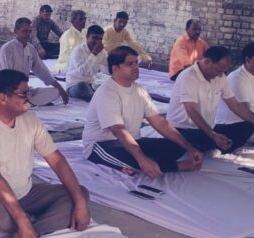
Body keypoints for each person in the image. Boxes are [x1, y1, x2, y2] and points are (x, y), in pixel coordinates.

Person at [0, 69, 90, 238]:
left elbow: (57, 161)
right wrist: (23, 221)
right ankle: (25, 223)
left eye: (29, 92)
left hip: (24, 193)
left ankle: (30, 231)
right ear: (3, 98)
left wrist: (81, 204)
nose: (29, 98)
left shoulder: (30, 119)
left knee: (80, 194)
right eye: (23, 94)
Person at [83, 46, 204, 176]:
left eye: (136, 63)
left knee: (176, 146)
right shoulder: (107, 92)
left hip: (132, 141)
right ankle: (178, 166)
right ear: (115, 68)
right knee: (140, 161)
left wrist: (189, 148)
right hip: (101, 144)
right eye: (129, 64)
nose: (136, 67)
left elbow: (159, 121)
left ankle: (134, 165)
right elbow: (118, 130)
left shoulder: (139, 90)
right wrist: (142, 159)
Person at [167, 46, 254, 154]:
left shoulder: (220, 77)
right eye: (218, 70)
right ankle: (209, 147)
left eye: (223, 71)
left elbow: (235, 105)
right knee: (204, 139)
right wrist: (212, 134)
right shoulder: (189, 77)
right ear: (207, 62)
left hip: (209, 128)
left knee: (247, 127)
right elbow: (191, 110)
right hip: (183, 129)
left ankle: (212, 147)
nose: (220, 75)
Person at [0, 18, 68, 106]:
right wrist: (21, 92)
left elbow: (42, 71)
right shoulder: (7, 48)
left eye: (29, 32)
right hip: (7, 90)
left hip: (25, 91)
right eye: (24, 31)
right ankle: (24, 101)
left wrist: (61, 89)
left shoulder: (31, 48)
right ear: (16, 31)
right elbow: (6, 76)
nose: (27, 35)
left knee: (56, 91)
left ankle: (26, 101)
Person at [64, 24, 107, 101]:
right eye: (94, 38)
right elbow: (82, 72)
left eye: (100, 39)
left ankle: (95, 95)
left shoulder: (102, 52)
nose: (97, 41)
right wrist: (94, 54)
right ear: (87, 37)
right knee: (82, 86)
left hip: (90, 84)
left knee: (107, 85)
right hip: (75, 85)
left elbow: (108, 68)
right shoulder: (78, 51)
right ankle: (95, 97)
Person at [53, 9, 87, 75]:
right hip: (66, 63)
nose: (84, 21)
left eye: (84, 19)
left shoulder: (86, 32)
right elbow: (67, 55)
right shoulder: (67, 35)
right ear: (73, 21)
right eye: (81, 19)